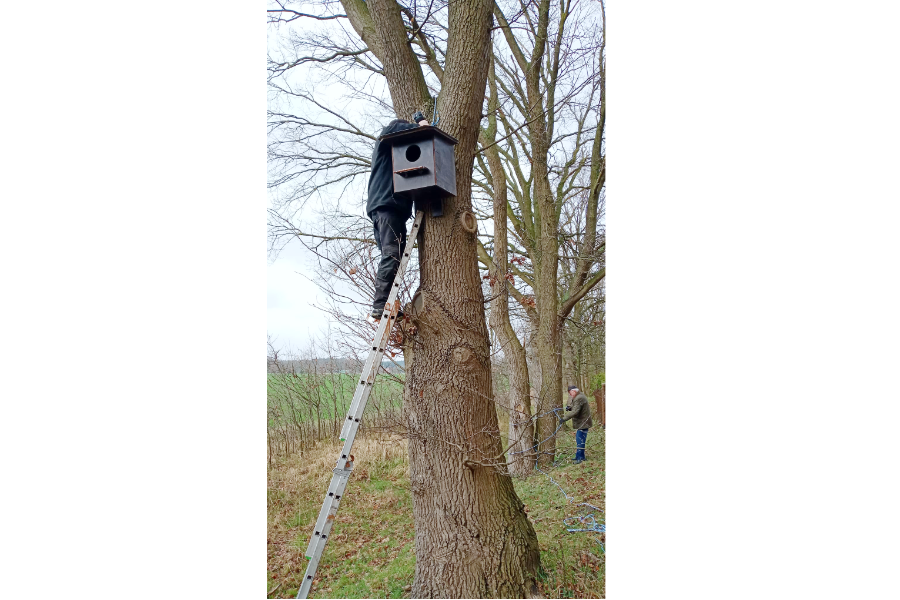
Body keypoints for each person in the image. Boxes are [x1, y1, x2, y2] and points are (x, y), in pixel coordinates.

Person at [366, 112, 429, 320]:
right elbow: (412, 130)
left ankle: (387, 302)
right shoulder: (389, 132)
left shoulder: (393, 155)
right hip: (387, 207)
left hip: (391, 209)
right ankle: (380, 304)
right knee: (392, 254)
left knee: (396, 256)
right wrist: (421, 123)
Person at [559, 385, 593, 464]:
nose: (570, 395)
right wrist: (570, 407)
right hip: (582, 423)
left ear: (574, 391)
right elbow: (576, 407)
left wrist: (564, 418)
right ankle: (579, 456)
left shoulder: (579, 398)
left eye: (570, 393)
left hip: (583, 423)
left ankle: (580, 458)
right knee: (579, 440)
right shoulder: (579, 396)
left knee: (580, 440)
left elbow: (575, 412)